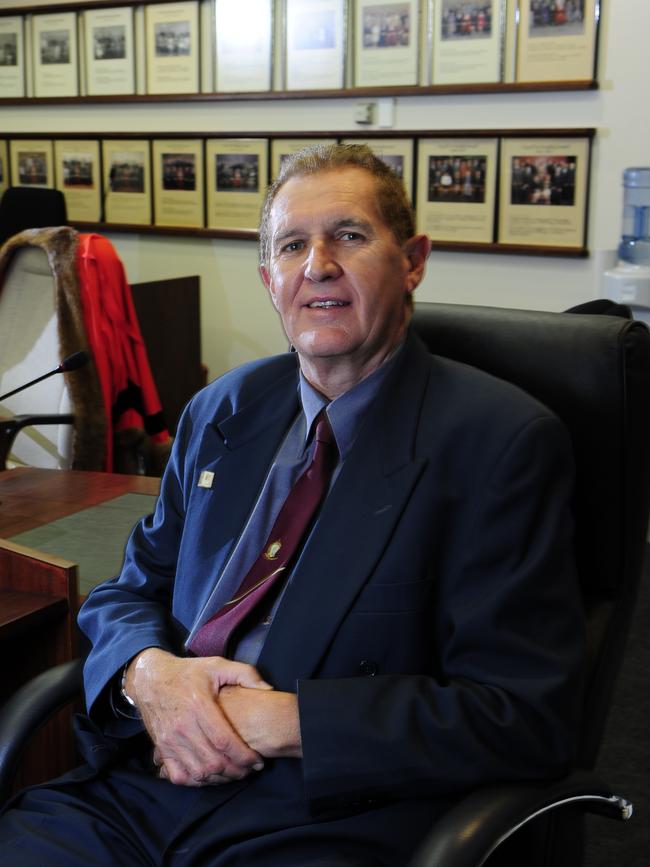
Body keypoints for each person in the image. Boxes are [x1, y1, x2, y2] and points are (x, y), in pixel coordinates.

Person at [0, 144, 584, 866]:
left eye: (348, 234)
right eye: (291, 245)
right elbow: (129, 588)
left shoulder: (499, 444)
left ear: (413, 261)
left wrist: (287, 720)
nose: (318, 265)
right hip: (146, 784)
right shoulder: (222, 410)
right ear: (269, 280)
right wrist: (148, 672)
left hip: (325, 812)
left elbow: (523, 714)